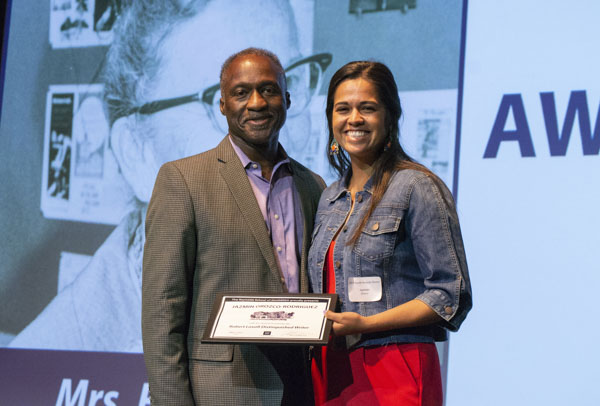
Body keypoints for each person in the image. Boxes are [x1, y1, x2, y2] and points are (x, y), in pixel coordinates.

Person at [8, 0, 324, 352]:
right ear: (137, 153)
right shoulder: (58, 361)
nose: (274, 128)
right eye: (226, 98)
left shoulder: (323, 264)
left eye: (282, 85)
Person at [142, 48, 325, 405]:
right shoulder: (183, 180)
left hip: (302, 387)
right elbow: (162, 310)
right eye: (241, 93)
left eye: (269, 90)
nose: (257, 103)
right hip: (222, 390)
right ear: (222, 104)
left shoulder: (312, 185)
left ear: (287, 99)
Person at [307, 61, 473, 405]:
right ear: (331, 119)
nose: (354, 119)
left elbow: (450, 294)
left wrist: (366, 325)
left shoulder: (417, 186)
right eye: (343, 109)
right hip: (331, 367)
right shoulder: (329, 197)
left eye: (367, 108)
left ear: (390, 116)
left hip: (395, 365)